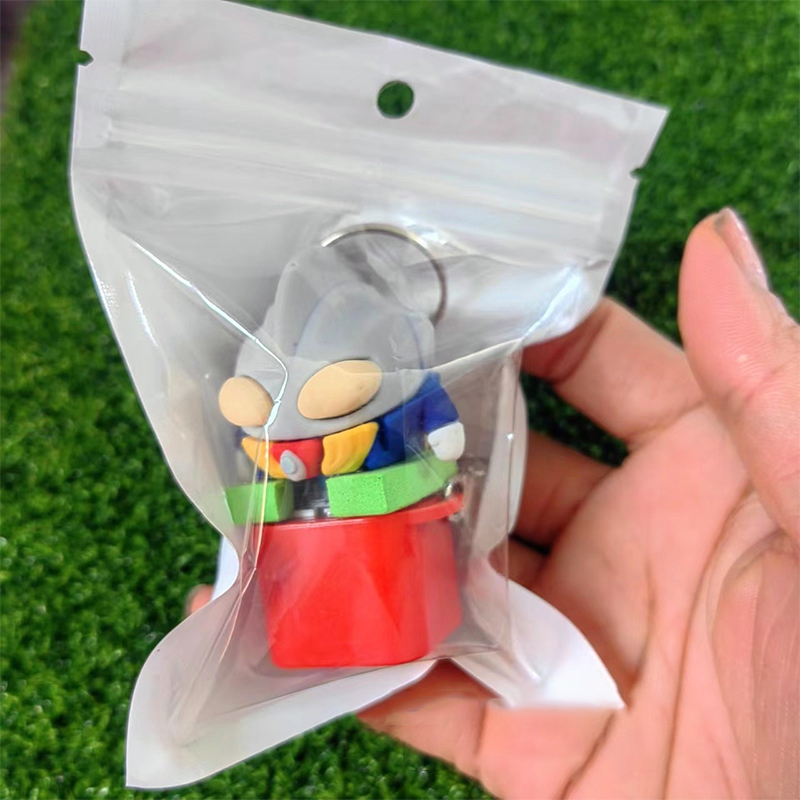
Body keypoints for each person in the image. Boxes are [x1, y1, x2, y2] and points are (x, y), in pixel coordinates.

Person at [187, 210, 799, 799]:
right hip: (310, 518)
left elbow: (431, 419)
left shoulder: (401, 394)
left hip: (386, 515)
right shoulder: (284, 427)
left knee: (374, 523)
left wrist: (435, 448)